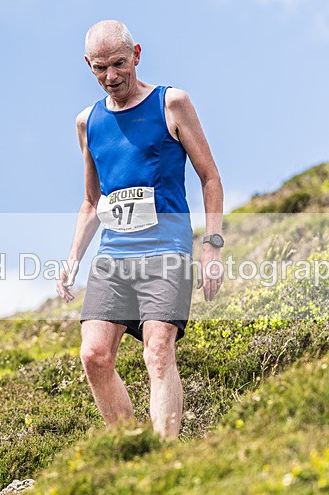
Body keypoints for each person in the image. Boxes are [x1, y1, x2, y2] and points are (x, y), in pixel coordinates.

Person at [55, 20, 225, 440]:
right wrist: (73, 258)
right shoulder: (87, 122)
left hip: (167, 252)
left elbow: (210, 177)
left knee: (158, 352)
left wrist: (212, 247)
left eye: (117, 64)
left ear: (136, 54)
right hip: (113, 258)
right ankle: (134, 451)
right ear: (88, 65)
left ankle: (165, 459)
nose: (110, 77)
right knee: (94, 356)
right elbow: (93, 201)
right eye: (99, 69)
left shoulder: (172, 103)